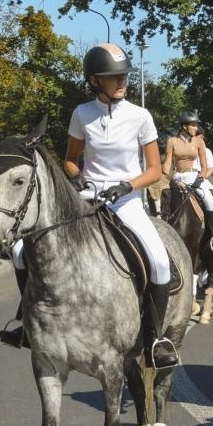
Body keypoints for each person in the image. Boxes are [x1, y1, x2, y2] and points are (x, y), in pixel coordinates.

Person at [63, 43, 177, 368]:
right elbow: (71, 160)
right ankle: (28, 322)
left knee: (159, 261)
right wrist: (78, 178)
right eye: (115, 77)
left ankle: (155, 339)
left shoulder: (140, 116)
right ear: (95, 80)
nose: (122, 81)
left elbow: (154, 170)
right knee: (23, 251)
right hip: (89, 199)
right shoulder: (82, 114)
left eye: (124, 75)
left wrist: (127, 186)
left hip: (126, 200)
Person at [162, 111, 213, 262]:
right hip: (177, 176)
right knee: (163, 199)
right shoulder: (172, 141)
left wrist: (200, 178)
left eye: (196, 125)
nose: (196, 128)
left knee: (209, 200)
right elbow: (168, 164)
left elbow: (204, 165)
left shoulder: (199, 142)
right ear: (184, 126)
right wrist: (163, 175)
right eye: (193, 125)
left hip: (193, 176)